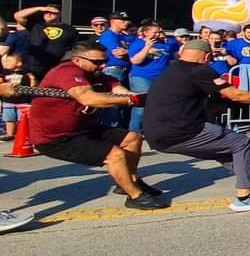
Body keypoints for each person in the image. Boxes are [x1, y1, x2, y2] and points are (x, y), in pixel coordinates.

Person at [141, 40, 250, 212]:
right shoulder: (200, 69)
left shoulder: (171, 69)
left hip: (155, 134)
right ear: (207, 56)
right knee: (240, 143)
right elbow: (236, 95)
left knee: (226, 153)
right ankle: (244, 197)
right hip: (182, 130)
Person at [22, 41, 167, 210]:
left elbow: (121, 91)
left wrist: (144, 98)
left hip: (83, 129)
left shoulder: (98, 75)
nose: (102, 65)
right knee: (115, 155)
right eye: (97, 62)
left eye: (104, 61)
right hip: (55, 137)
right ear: (77, 60)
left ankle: (130, 181)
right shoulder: (66, 71)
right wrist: (131, 100)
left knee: (132, 138)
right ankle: (135, 196)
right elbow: (89, 99)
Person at [127, 22, 173, 132]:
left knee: (159, 105)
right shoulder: (138, 43)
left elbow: (170, 60)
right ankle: (135, 132)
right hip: (142, 77)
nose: (158, 34)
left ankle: (153, 130)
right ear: (146, 32)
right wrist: (147, 47)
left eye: (159, 32)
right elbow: (135, 60)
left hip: (161, 78)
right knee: (141, 106)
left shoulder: (164, 44)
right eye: (155, 32)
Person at [14, 4, 79, 79]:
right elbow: (18, 16)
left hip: (55, 66)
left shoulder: (70, 30)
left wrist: (63, 63)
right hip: (34, 65)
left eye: (52, 12)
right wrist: (39, 8)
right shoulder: (36, 24)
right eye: (46, 12)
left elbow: (73, 49)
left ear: (59, 14)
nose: (48, 14)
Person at [0, 53, 35, 141]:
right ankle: (10, 134)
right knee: (9, 119)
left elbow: (32, 87)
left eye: (10, 61)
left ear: (19, 63)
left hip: (22, 101)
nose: (7, 63)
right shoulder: (4, 73)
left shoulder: (26, 73)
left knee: (22, 119)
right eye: (6, 61)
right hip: (8, 100)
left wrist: (33, 80)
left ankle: (22, 134)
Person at [225, 24, 250, 91]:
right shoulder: (233, 43)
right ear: (244, 32)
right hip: (237, 73)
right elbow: (224, 51)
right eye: (249, 32)